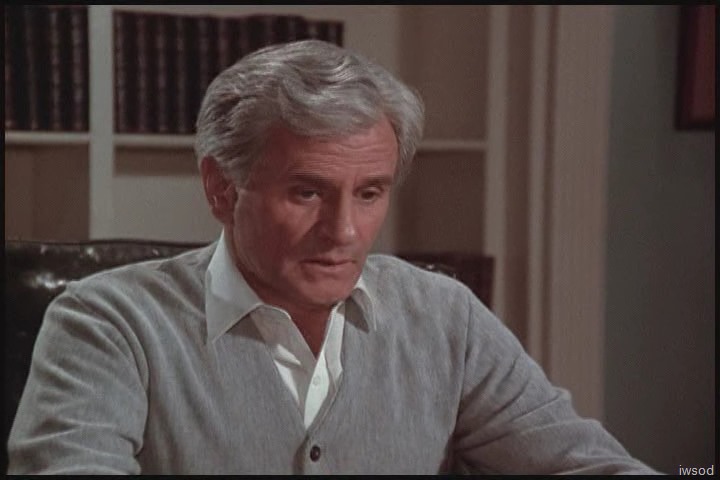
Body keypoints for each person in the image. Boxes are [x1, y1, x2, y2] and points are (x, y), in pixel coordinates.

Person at [7, 39, 660, 475]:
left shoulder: (444, 318)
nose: (344, 231)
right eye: (307, 192)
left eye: (370, 193)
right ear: (221, 188)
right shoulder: (108, 323)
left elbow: (592, 466)